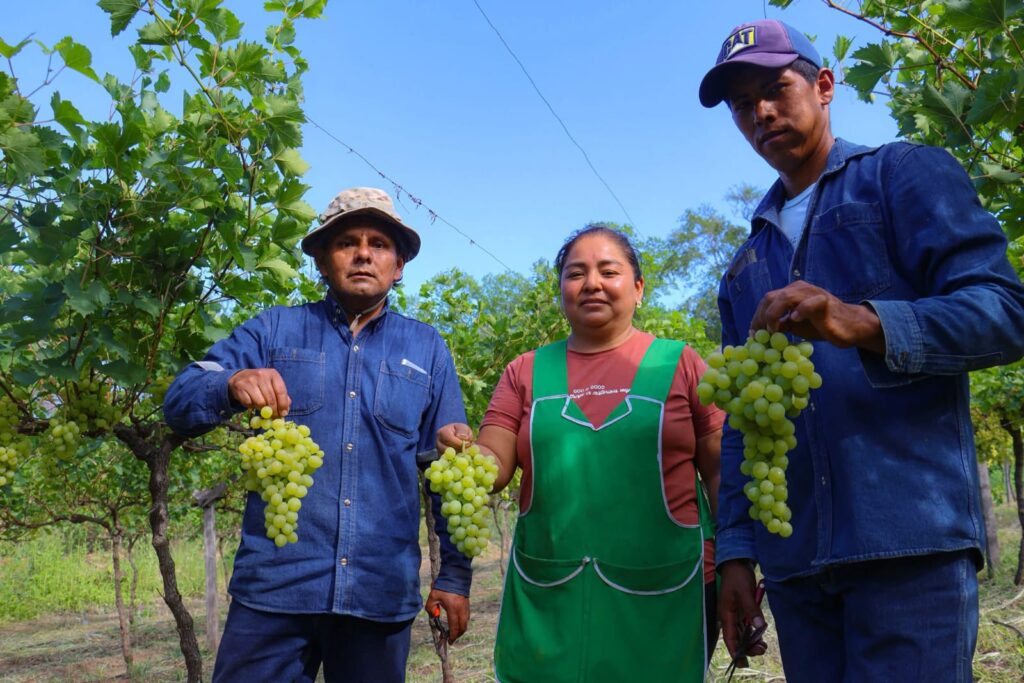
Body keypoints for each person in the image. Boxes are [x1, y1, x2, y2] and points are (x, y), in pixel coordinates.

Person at [698, 19, 1024, 682]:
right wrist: (736, 552)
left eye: (775, 89)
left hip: (909, 547)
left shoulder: (901, 176)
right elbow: (743, 425)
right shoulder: (743, 269)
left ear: (824, 85)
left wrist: (865, 322)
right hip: (796, 569)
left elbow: (1005, 313)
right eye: (741, 104)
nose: (760, 113)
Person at [163, 187, 472, 682]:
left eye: (379, 244)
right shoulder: (273, 330)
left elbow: (448, 472)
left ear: (398, 266)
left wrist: (454, 577)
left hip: (378, 594)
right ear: (322, 262)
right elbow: (179, 401)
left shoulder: (427, 348)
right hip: (274, 592)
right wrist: (230, 382)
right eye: (348, 242)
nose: (364, 254)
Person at [438, 226, 723, 683]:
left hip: (668, 587)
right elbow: (494, 462)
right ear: (561, 291)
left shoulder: (681, 363)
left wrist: (737, 564)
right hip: (554, 589)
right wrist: (465, 452)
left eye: (608, 271)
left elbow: (720, 472)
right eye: (575, 274)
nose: (592, 283)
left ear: (638, 288)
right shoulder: (525, 370)